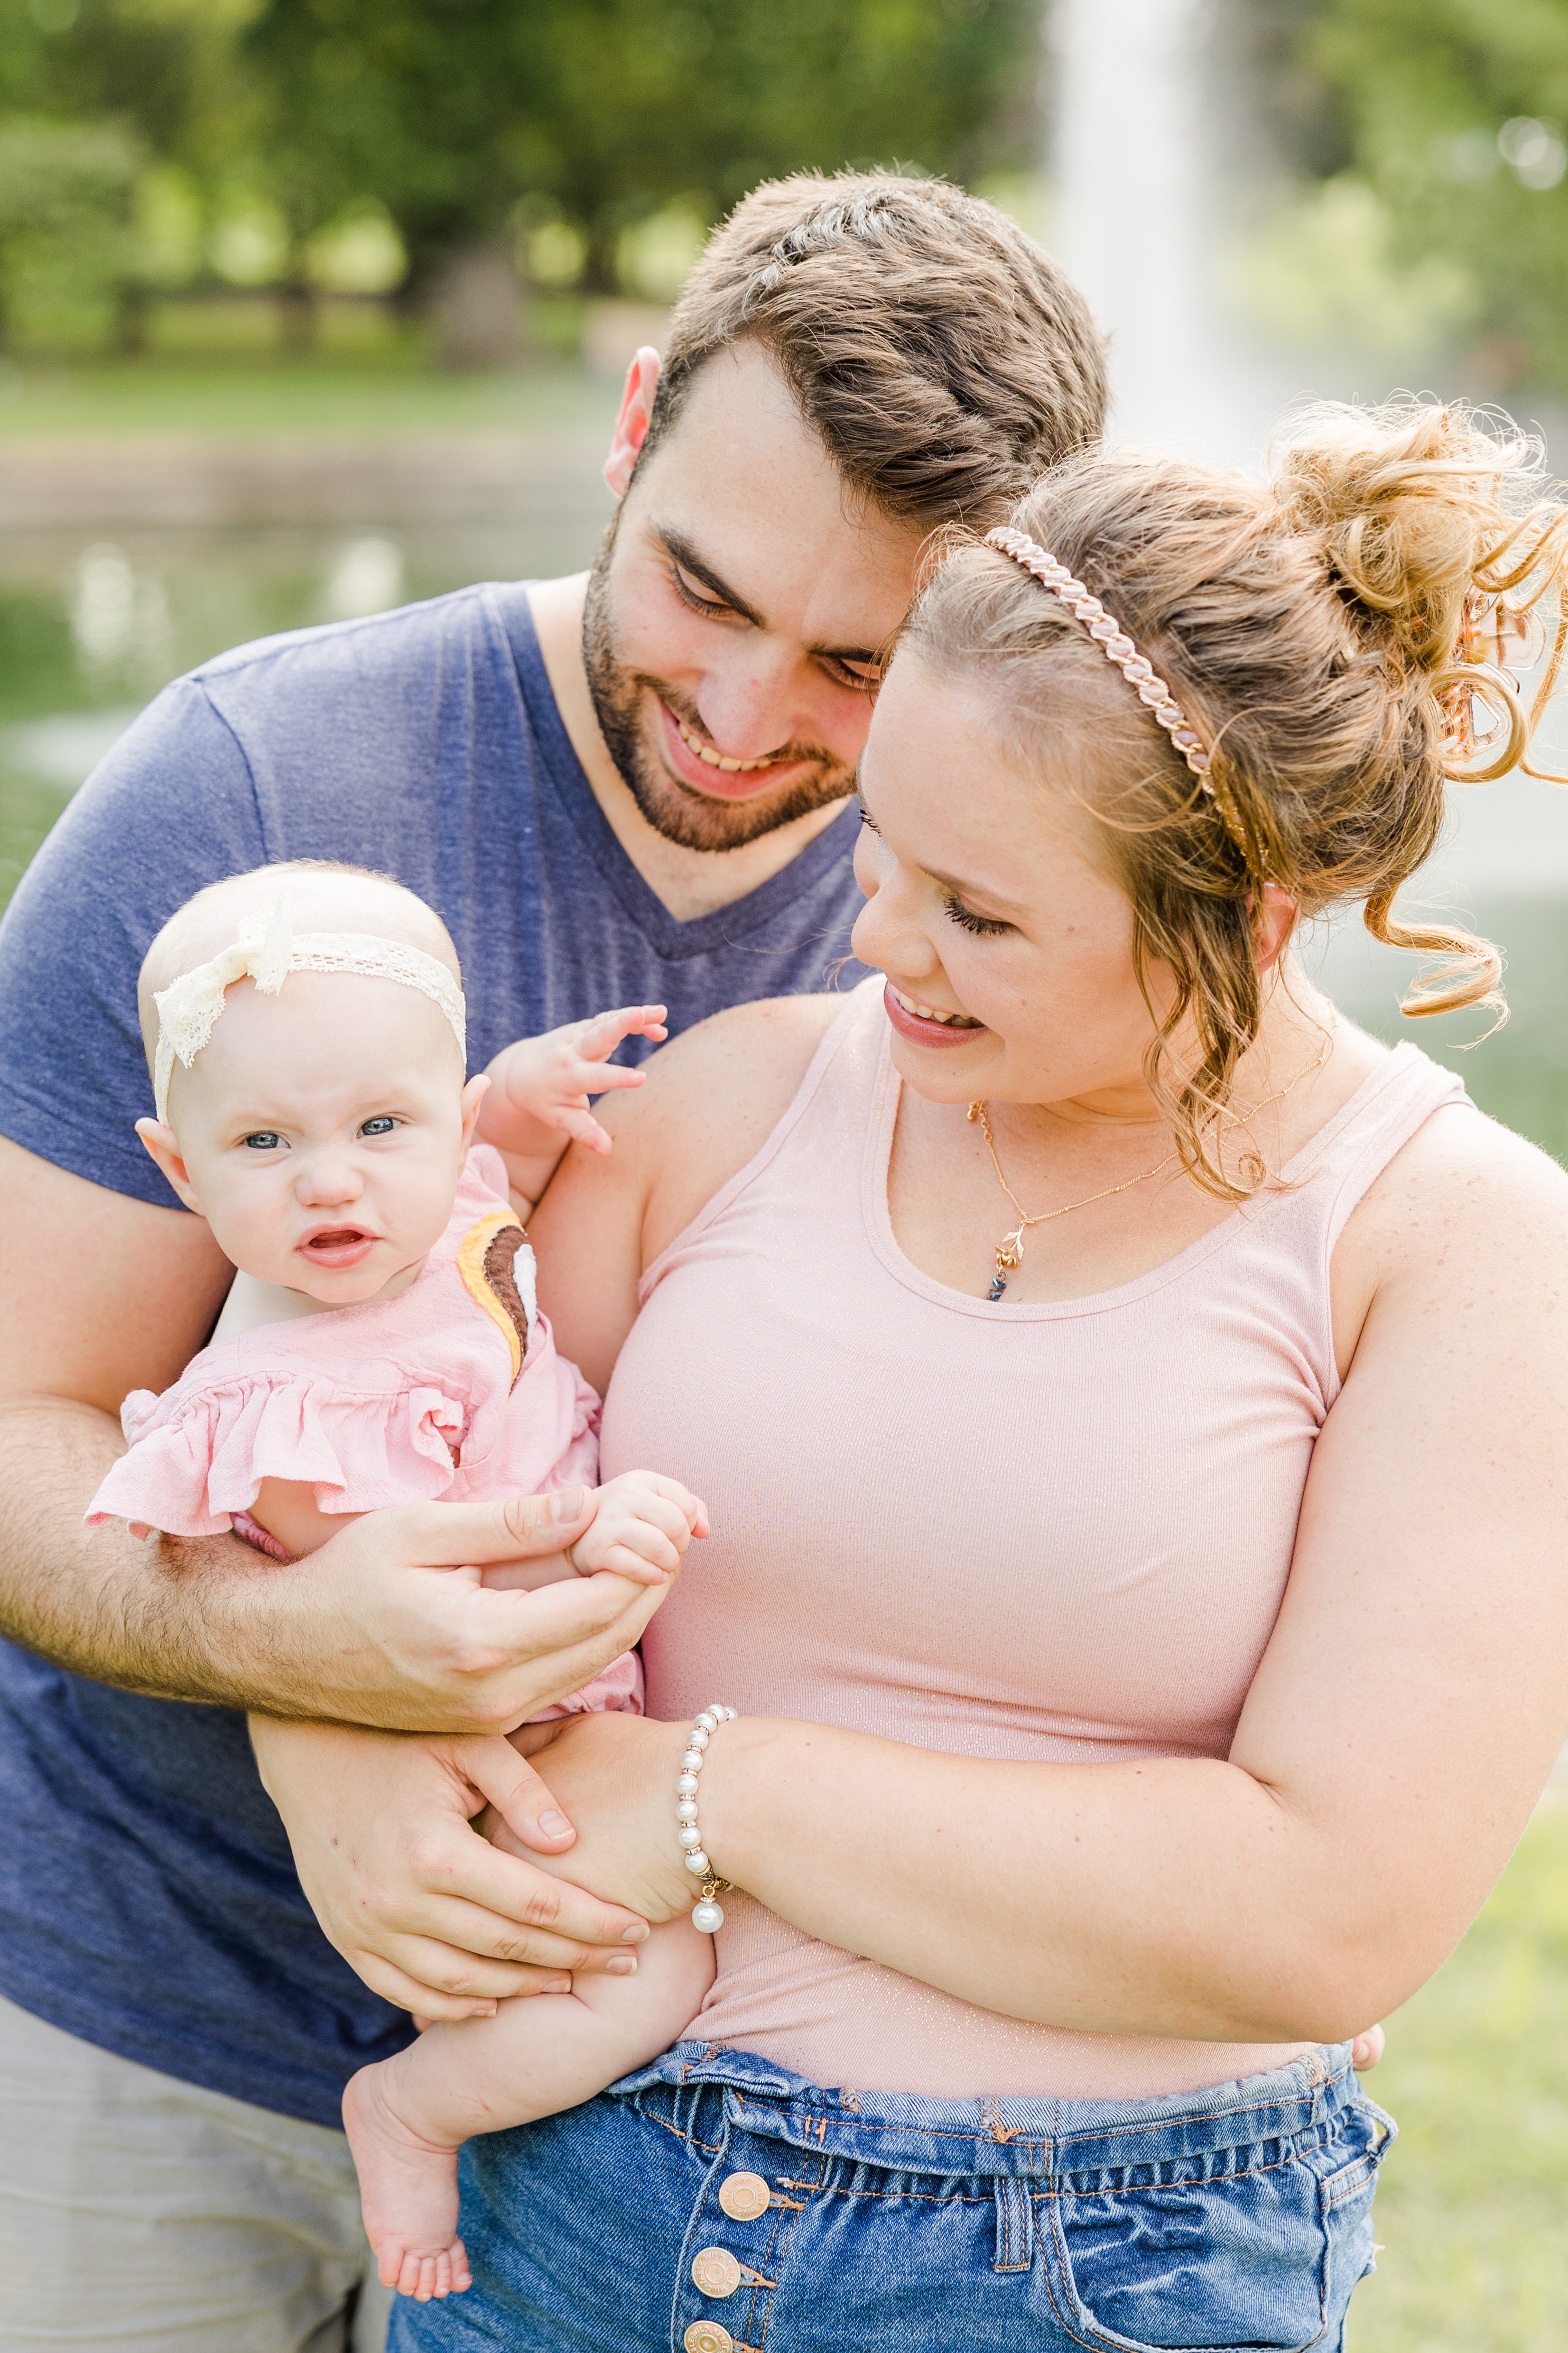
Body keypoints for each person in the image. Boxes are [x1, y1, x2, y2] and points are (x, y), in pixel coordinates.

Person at [257, 401, 1568, 2352]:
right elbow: (369, 1441)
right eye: (884, 850)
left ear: (1252, 918)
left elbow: (1325, 1909)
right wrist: (326, 1746)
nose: (886, 942)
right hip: (561, 2209)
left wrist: (716, 1792)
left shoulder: (1453, 1247)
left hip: (1091, 2263)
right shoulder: (732, 1107)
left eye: (983, 913)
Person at [0, 172, 1107, 2352]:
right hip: (132, 2033)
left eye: (855, 665)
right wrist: (306, 1653)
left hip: (697, 2098)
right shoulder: (246, 785)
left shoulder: (999, 919)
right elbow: (15, 1411)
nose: (741, 707)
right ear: (630, 421)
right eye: (701, 588)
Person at [86, 858, 726, 2303]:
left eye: (384, 1123)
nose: (334, 1178)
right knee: (651, 1970)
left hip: (556, 1684)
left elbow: (465, 1152)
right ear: (180, 1170)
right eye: (262, 1140)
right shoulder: (282, 1399)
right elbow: (427, 1589)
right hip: (477, 1733)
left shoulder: (418, 1216)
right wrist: (595, 1526)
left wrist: (511, 1102)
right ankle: (417, 2104)